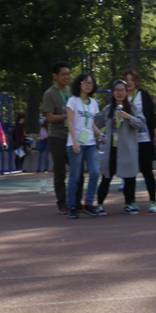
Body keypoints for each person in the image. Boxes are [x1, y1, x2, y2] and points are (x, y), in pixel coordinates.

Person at [94, 79, 146, 216]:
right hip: (111, 148)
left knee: (129, 177)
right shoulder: (108, 109)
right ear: (112, 92)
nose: (119, 93)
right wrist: (93, 110)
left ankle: (129, 204)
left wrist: (128, 117)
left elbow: (141, 123)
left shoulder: (132, 108)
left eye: (122, 90)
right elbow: (96, 123)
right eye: (116, 90)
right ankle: (99, 205)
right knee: (106, 176)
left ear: (126, 92)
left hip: (127, 148)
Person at [43, 62, 84, 214]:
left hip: (73, 136)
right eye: (63, 74)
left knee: (78, 170)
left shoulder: (73, 92)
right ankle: (62, 203)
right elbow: (50, 118)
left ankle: (77, 202)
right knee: (60, 171)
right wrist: (67, 116)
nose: (67, 77)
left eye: (68, 74)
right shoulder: (49, 94)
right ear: (55, 76)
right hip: (57, 137)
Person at [123, 70, 156, 213]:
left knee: (147, 170)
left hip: (144, 138)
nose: (129, 82)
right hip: (128, 140)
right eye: (126, 79)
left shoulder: (143, 95)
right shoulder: (121, 97)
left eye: (132, 79)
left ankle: (153, 201)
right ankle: (131, 201)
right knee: (130, 172)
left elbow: (152, 115)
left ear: (136, 81)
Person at [65, 73, 102, 219]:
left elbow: (91, 123)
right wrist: (75, 141)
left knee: (95, 171)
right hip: (76, 143)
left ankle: (88, 204)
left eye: (91, 83)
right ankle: (71, 206)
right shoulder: (73, 101)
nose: (88, 85)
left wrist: (101, 134)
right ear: (79, 84)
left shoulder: (93, 103)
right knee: (75, 175)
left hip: (90, 142)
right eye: (85, 82)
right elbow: (69, 122)